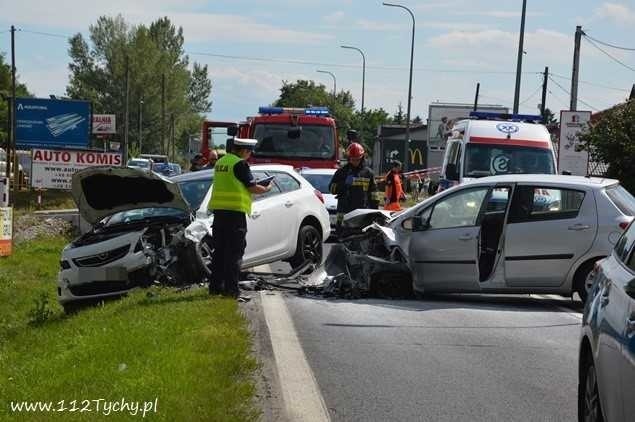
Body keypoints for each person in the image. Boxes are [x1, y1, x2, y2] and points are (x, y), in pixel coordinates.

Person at [207, 138, 272, 298]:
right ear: (243, 150)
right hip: (235, 214)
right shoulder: (240, 164)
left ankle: (215, 287)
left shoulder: (221, 163)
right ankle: (231, 291)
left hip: (219, 214)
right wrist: (267, 188)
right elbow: (252, 187)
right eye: (249, 152)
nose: (249, 155)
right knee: (234, 254)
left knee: (219, 253)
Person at [329, 136, 379, 236]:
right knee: (343, 242)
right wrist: (343, 185)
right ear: (349, 158)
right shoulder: (342, 172)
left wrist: (375, 211)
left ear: (362, 158)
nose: (355, 162)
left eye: (357, 159)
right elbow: (331, 189)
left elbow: (374, 194)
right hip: (344, 214)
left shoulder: (368, 173)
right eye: (352, 159)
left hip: (362, 213)